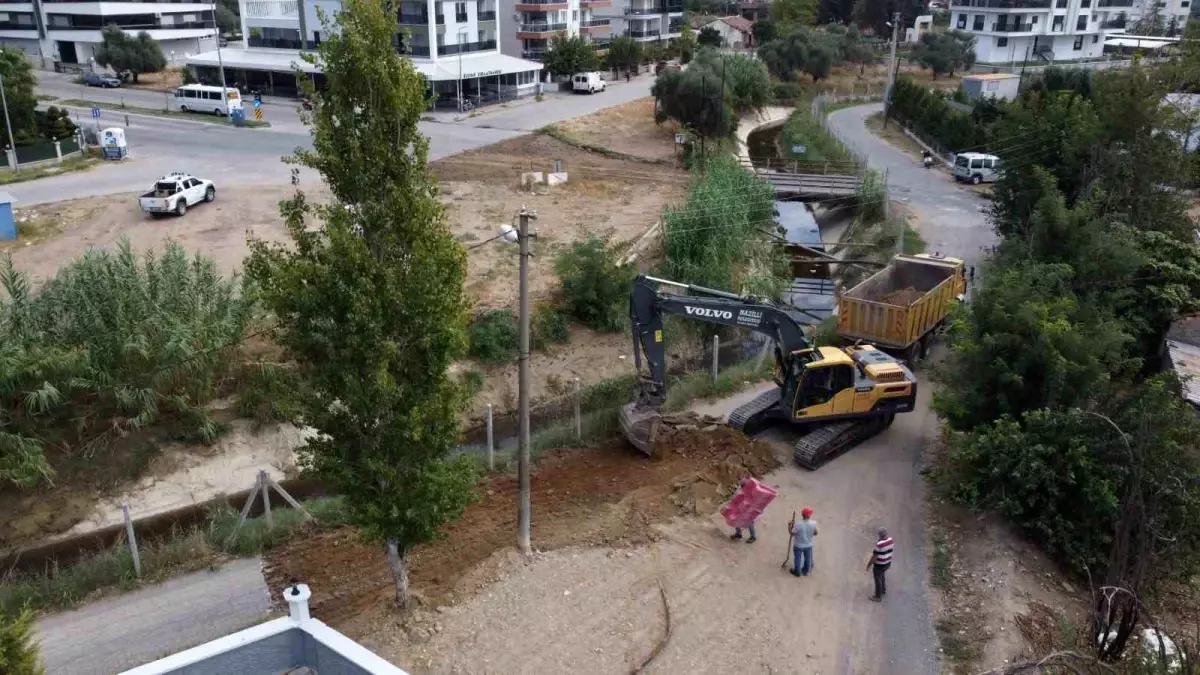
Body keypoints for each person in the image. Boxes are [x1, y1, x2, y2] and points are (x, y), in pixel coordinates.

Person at [867, 527, 894, 602]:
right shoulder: (891, 540)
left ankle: (878, 596)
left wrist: (869, 565)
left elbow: (874, 557)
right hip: (887, 563)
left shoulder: (879, 544)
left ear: (879, 535)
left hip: (879, 564)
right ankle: (883, 590)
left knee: (877, 578)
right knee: (882, 575)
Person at [789, 507, 818, 577]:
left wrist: (789, 526)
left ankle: (797, 571)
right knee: (808, 558)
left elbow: (792, 533)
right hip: (808, 544)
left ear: (803, 515)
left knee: (797, 558)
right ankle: (806, 570)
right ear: (809, 515)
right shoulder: (813, 523)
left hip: (798, 545)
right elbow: (815, 533)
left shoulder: (798, 524)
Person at [729, 478, 758, 543]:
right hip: (740, 508)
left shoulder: (751, 492)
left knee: (750, 523)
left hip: (748, 510)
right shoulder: (740, 490)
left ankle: (753, 537)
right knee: (736, 520)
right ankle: (738, 534)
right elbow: (734, 498)